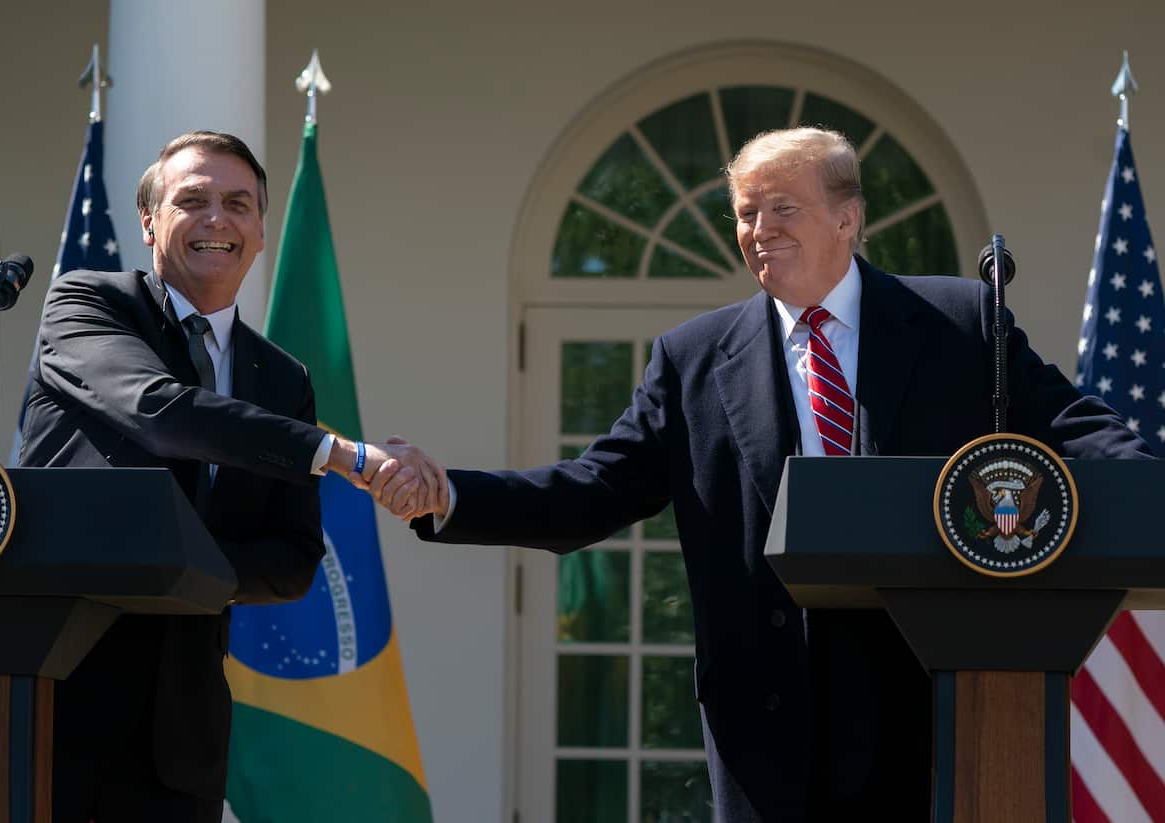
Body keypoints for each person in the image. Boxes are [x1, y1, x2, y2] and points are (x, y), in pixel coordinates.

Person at [365, 128, 1151, 820]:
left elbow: (1077, 427)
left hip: (933, 703)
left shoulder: (958, 321)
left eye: (782, 208)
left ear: (847, 218)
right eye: (745, 212)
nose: (757, 230)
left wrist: (1150, 489)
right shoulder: (693, 358)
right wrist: (453, 493)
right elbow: (592, 492)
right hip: (769, 728)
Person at [19, 130, 444, 822]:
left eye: (239, 204)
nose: (218, 219)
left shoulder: (282, 378)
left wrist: (164, 565)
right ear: (149, 220)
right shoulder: (86, 307)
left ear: (261, 232)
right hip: (56, 704)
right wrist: (347, 455)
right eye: (193, 200)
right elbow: (158, 411)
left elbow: (292, 561)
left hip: (182, 737)